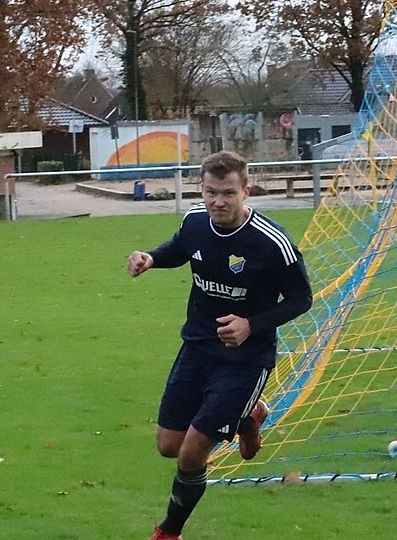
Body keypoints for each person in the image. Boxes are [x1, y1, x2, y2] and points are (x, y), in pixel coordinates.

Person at [126, 150, 313, 540]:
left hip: (246, 359)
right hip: (196, 347)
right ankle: (250, 416)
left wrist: (251, 325)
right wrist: (151, 259)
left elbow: (301, 299)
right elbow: (180, 249)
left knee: (193, 451)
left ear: (246, 190)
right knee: (168, 445)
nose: (218, 202)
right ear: (202, 189)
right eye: (211, 192)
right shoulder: (196, 220)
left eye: (228, 193)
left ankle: (168, 532)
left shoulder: (271, 242)